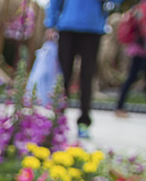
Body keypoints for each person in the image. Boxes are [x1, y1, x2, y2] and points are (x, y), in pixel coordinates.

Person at [45, 0, 122, 139]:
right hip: (67, 27)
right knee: (63, 78)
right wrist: (51, 24)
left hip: (92, 29)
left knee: (87, 79)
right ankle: (58, 120)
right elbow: (54, 2)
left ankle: (84, 123)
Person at [116, 0, 146, 119]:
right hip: (141, 50)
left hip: (139, 49)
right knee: (132, 78)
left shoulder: (140, 7)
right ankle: (119, 107)